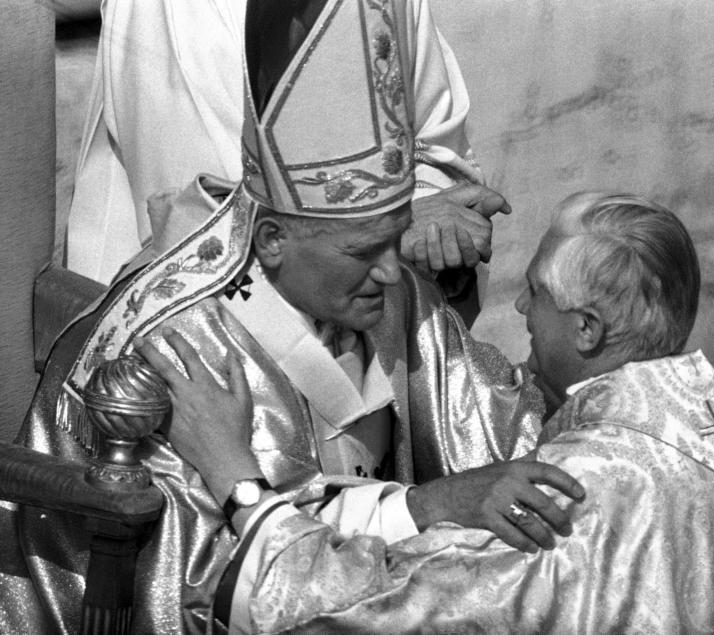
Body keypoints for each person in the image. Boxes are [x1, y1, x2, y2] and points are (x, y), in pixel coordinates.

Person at [2, 2, 584, 633]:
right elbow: (190, 588)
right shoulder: (173, 350)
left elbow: (510, 431)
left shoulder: (389, 286)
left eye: (399, 235)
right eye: (363, 250)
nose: (394, 273)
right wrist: (422, 507)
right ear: (272, 239)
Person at [147, 191, 714, 633]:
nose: (520, 311)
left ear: (587, 330)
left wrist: (237, 479)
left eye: (534, 295)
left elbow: (337, 611)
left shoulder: (561, 500)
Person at [66, 0, 500, 326]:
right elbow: (194, 215)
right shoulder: (170, 10)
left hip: (372, 288)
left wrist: (434, 222)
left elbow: (429, 135)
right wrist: (392, 229)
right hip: (223, 322)